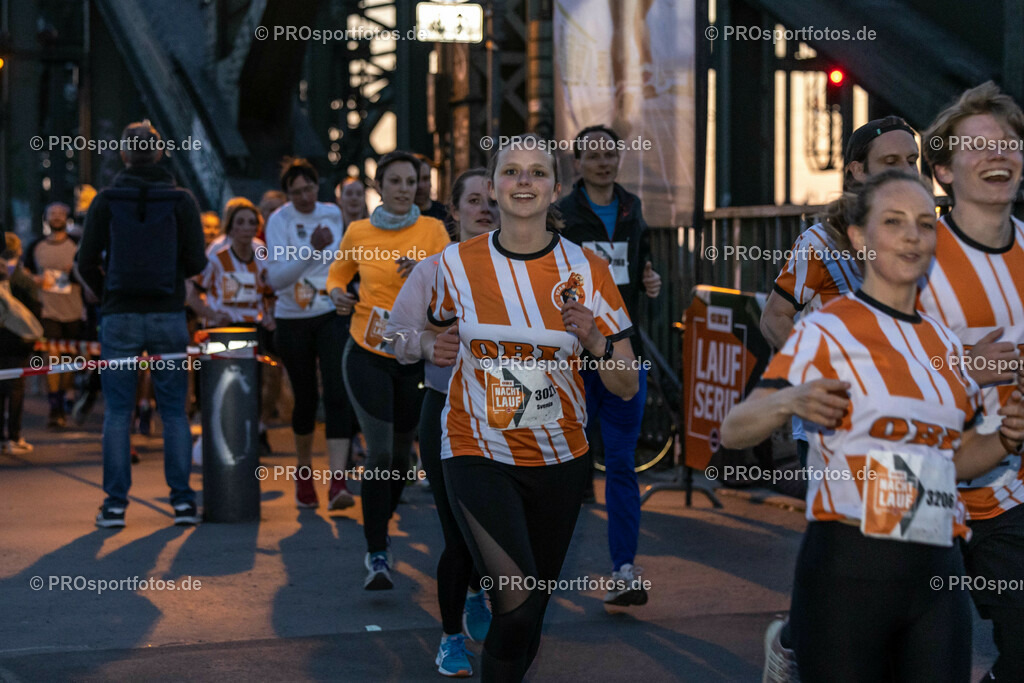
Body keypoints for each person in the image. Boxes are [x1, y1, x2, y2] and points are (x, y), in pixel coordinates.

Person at [722, 170, 1024, 682]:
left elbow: (952, 459)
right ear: (860, 238)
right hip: (849, 568)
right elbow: (733, 429)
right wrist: (789, 399)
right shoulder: (827, 328)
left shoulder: (945, 345)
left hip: (935, 569)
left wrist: (1005, 439)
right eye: (894, 221)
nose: (913, 236)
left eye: (926, 224)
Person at [429, 135, 639, 681]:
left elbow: (624, 385)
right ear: (493, 187)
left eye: (537, 173)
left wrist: (595, 340)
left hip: (560, 456)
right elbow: (411, 329)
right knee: (515, 604)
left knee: (534, 613)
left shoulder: (588, 270)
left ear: (557, 189)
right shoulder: (453, 265)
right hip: (477, 447)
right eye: (511, 172)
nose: (524, 182)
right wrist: (428, 345)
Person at [919, 81, 1024, 682]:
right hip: (917, 490)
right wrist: (959, 366)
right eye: (979, 144)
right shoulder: (912, 254)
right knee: (927, 659)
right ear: (943, 169)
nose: (999, 153)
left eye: (1010, 142)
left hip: (1007, 492)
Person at [386, 168, 498, 676]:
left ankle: (480, 589)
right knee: (458, 531)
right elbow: (393, 335)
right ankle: (451, 637)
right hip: (446, 410)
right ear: (452, 211)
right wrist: (429, 343)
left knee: (492, 528)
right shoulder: (433, 270)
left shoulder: (524, 268)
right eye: (474, 200)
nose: (486, 208)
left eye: (492, 200)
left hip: (507, 415)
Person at [327, 150, 451, 590]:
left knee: (401, 457)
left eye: (410, 181)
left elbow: (451, 284)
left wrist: (424, 271)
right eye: (394, 181)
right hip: (366, 350)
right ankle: (376, 551)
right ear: (380, 186)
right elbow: (337, 274)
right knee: (379, 454)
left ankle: (382, 517)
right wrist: (339, 294)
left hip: (413, 355)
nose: (403, 189)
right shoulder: (358, 230)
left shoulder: (434, 230)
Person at [77, 119, 207, 528]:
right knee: (173, 412)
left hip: (118, 317)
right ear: (161, 153)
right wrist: (171, 281)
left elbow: (84, 261)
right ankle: (183, 503)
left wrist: (106, 291)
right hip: (168, 315)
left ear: (124, 156)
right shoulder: (182, 200)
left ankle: (114, 506)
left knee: (118, 411)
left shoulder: (105, 199)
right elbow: (198, 262)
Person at [555, 124, 661, 605]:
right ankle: (535, 575)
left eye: (609, 154)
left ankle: (624, 570)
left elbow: (639, 265)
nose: (602, 162)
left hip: (620, 352)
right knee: (562, 466)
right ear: (576, 163)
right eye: (592, 155)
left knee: (621, 464)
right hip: (571, 357)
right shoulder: (560, 215)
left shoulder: (632, 207)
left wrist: (648, 280)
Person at [264, 158, 357, 510]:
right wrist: (311, 250)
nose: (304, 196)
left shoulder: (333, 213)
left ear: (318, 187)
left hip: (330, 313)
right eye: (296, 191)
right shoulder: (279, 220)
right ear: (287, 194)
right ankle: (304, 473)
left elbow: (347, 258)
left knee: (337, 394)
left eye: (309, 188)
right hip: (292, 317)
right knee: (304, 399)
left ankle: (337, 482)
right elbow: (276, 279)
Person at [192, 198, 277, 451]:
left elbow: (271, 289)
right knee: (220, 386)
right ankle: (213, 438)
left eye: (252, 222)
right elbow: (192, 292)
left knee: (253, 384)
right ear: (230, 226)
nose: (247, 227)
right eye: (240, 222)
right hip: (222, 331)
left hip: (253, 329)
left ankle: (251, 436)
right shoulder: (217, 254)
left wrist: (270, 314)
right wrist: (211, 314)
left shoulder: (261, 250)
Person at [25, 202, 84, 428]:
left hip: (73, 309)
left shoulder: (77, 244)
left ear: (67, 216)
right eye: (52, 213)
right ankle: (54, 404)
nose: (57, 217)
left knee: (70, 360)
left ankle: (66, 395)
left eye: (61, 213)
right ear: (46, 217)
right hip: (48, 310)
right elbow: (26, 272)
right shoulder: (36, 246)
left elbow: (88, 270)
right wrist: (35, 280)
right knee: (52, 357)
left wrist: (74, 272)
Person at [0, 233, 42, 454]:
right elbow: (35, 310)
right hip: (18, 340)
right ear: (19, 251)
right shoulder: (23, 279)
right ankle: (14, 436)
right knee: (15, 389)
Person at [414, 154, 449, 221]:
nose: (420, 185)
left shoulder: (445, 215)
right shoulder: (397, 217)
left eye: (425, 179)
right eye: (415, 180)